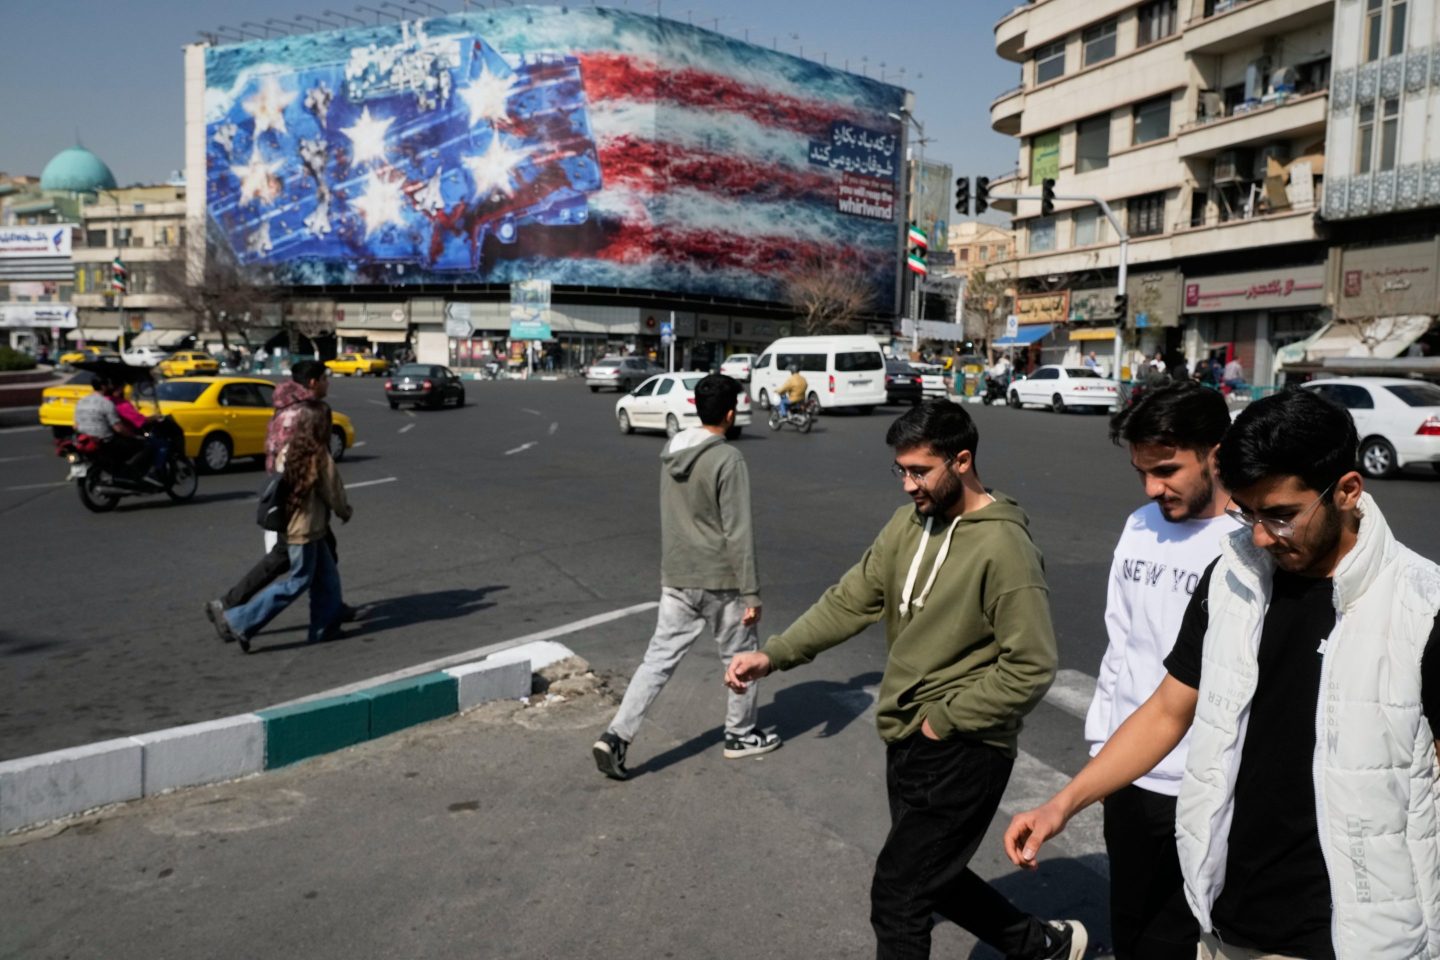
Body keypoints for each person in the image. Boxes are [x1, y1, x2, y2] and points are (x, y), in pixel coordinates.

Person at [1004, 389, 1440, 960]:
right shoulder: (1231, 578)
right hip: (1223, 915)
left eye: (1281, 515)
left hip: (1347, 934)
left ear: (1348, 491)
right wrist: (1063, 804)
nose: (1260, 535)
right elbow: (1167, 709)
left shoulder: (1422, 605)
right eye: (1248, 512)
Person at [725, 401, 1084, 960]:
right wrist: (773, 656)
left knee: (898, 896)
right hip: (908, 738)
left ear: (961, 461)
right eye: (901, 470)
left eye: (920, 471)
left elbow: (1031, 664)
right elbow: (850, 600)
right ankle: (1041, 946)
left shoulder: (1004, 548)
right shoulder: (907, 524)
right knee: (930, 873)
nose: (908, 485)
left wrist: (945, 721)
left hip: (965, 747)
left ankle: (1040, 945)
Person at [1086, 382, 1233, 960]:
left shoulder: (1253, 541)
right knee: (1132, 929)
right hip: (1127, 771)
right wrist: (1103, 748)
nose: (1153, 488)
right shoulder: (1140, 525)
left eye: (1168, 470)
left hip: (1206, 788)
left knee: (1190, 938)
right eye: (1142, 472)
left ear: (1216, 452)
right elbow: (1119, 643)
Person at [592, 374, 778, 779]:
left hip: (676, 576)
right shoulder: (728, 459)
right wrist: (751, 593)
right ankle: (741, 735)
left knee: (657, 661)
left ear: (696, 407)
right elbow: (738, 530)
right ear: (730, 414)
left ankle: (617, 735)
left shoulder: (671, 450)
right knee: (739, 659)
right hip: (722, 581)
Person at [207, 361, 353, 632]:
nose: (327, 384)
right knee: (289, 565)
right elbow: (321, 459)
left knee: (322, 554)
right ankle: (231, 611)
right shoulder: (315, 411)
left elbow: (274, 449)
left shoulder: (283, 406)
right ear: (312, 382)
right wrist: (337, 503)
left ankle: (330, 614)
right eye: (324, 379)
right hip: (305, 500)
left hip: (281, 489)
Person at [74, 375, 149, 474]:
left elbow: (75, 425)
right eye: (108, 384)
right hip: (105, 442)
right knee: (143, 446)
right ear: (104, 386)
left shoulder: (81, 402)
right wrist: (133, 436)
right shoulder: (107, 403)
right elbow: (118, 428)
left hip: (83, 439)